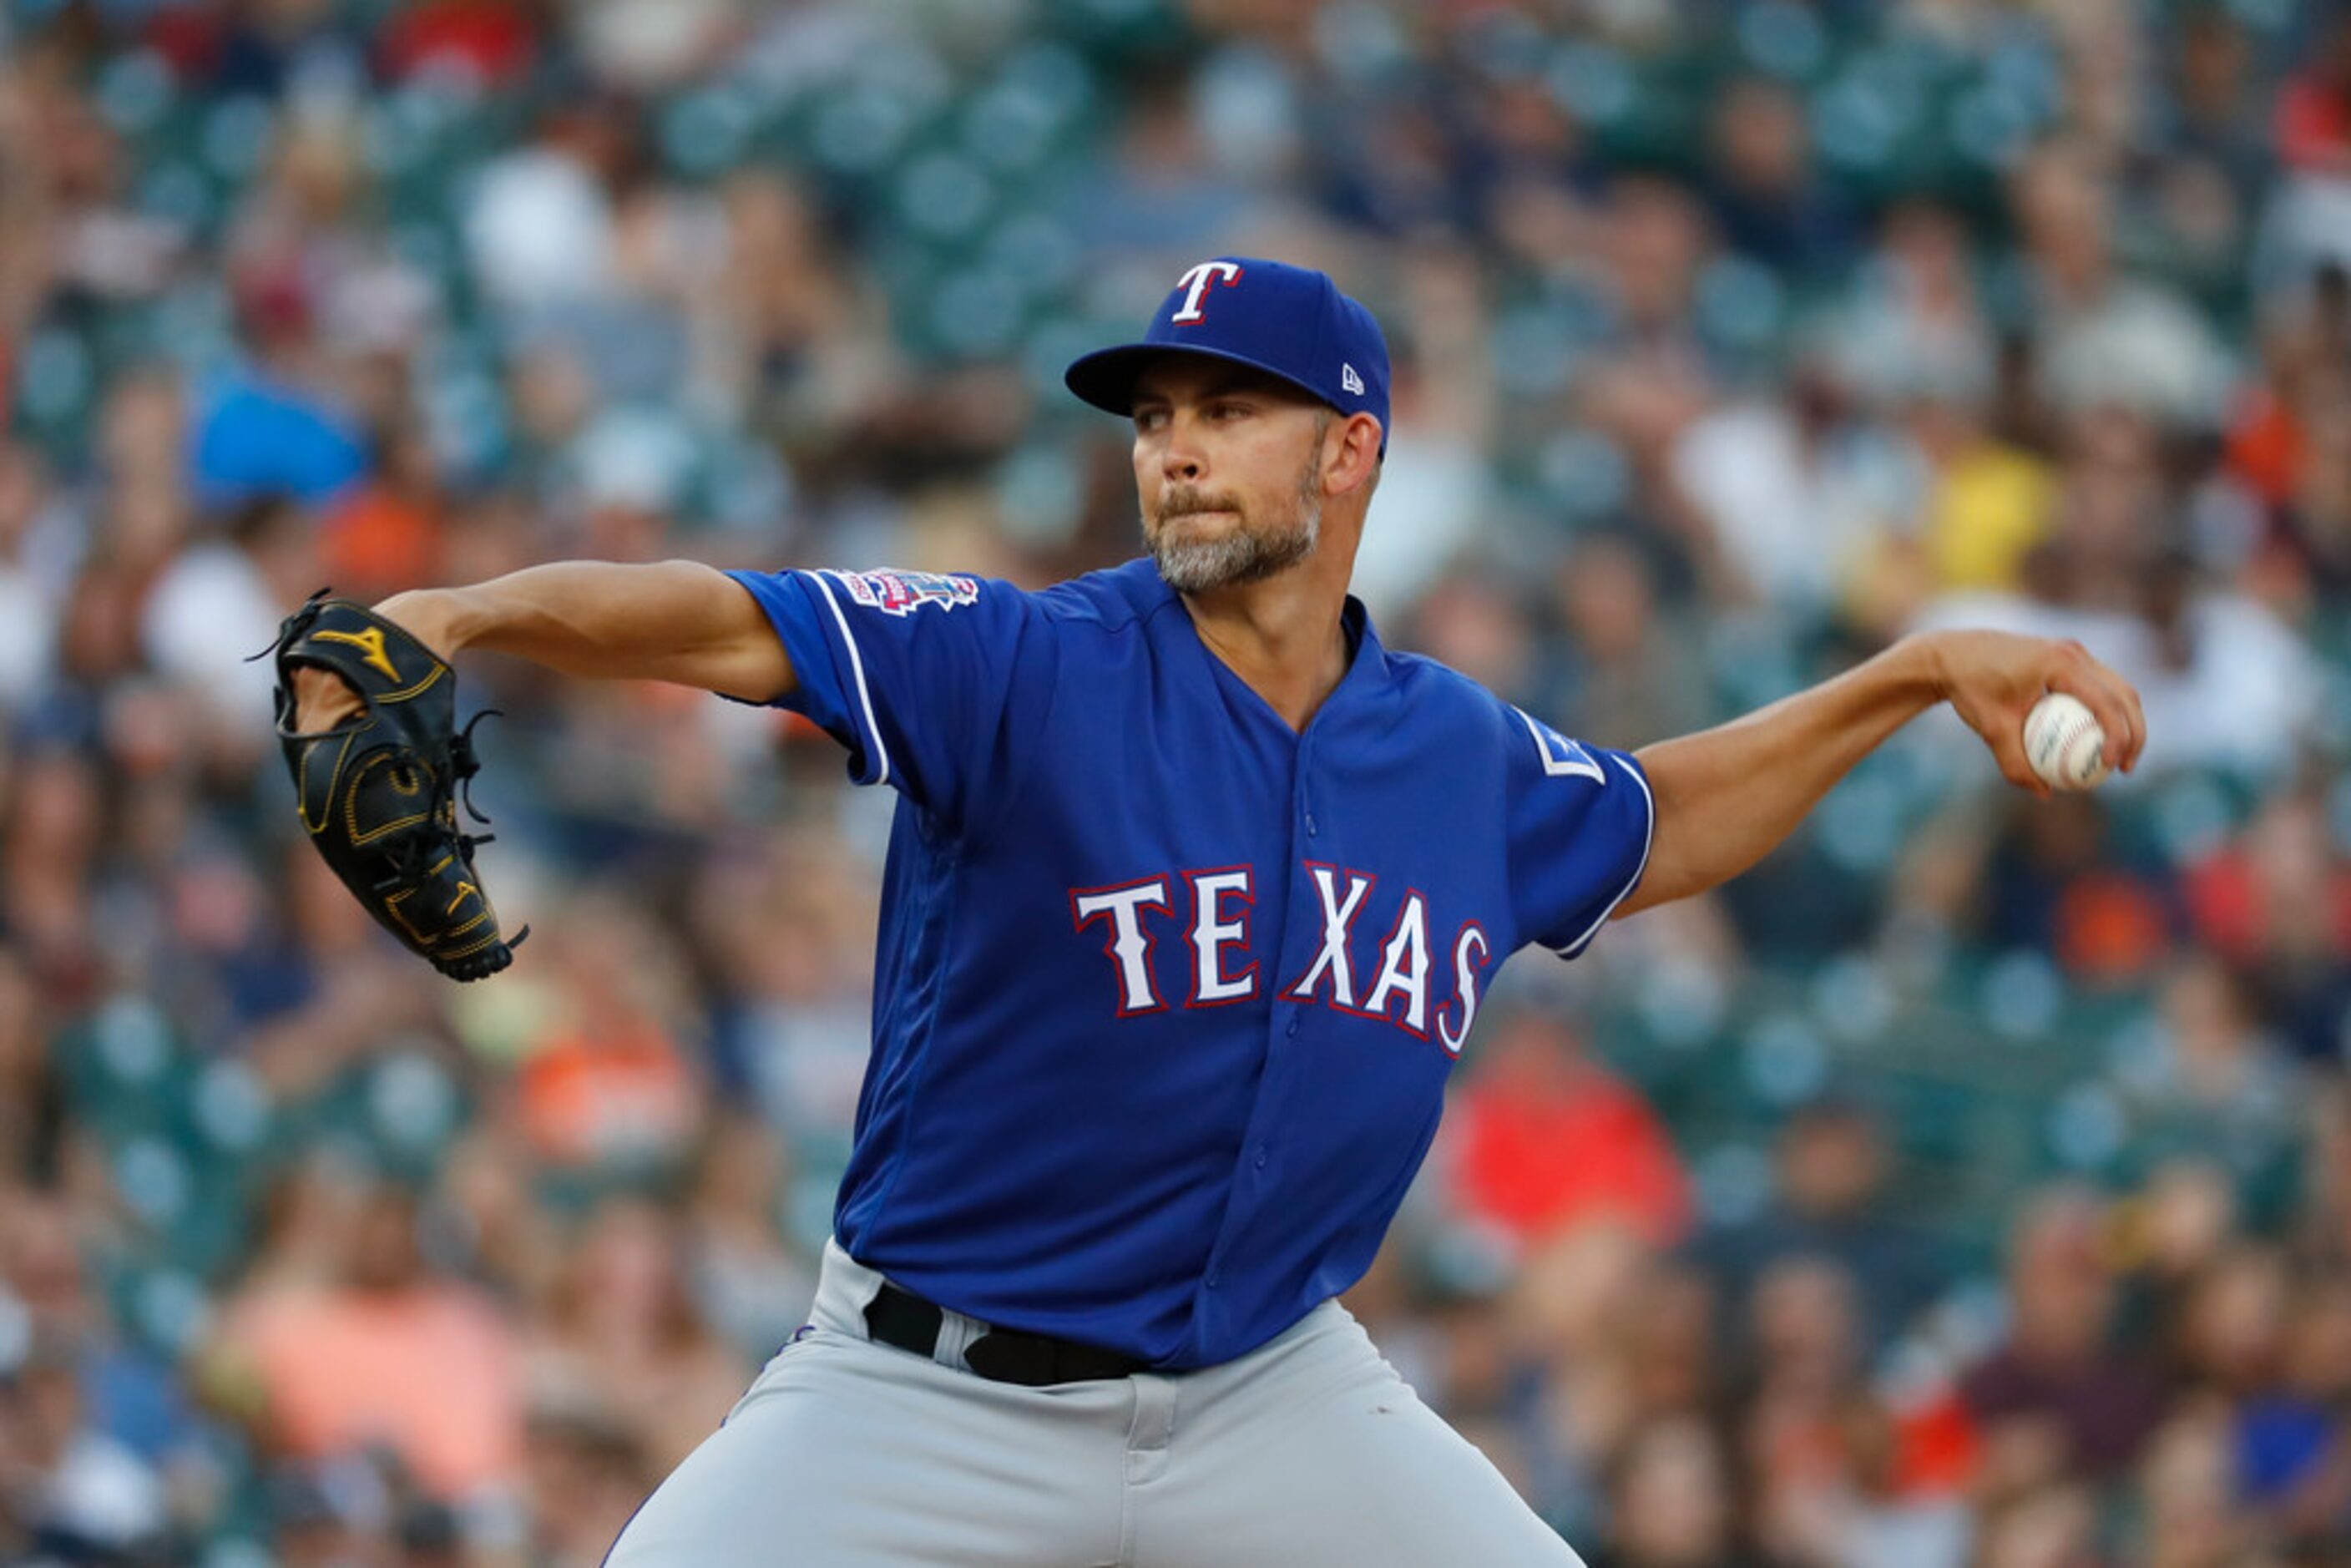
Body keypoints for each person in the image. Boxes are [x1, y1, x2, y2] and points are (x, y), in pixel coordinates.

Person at [289, 257, 2146, 1565]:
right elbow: (719, 616)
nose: (1171, 443)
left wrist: (1904, 677)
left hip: (1270, 1393)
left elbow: (1655, 821)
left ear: (1348, 453)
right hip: (929, 1395)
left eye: (1228, 411)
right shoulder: (1024, 661)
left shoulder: (1455, 755)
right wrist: (460, 616)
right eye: (1156, 411)